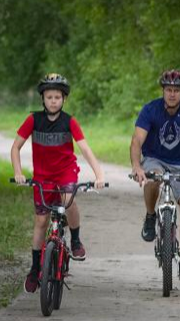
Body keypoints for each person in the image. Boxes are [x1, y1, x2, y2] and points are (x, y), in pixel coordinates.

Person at [11, 73, 106, 293]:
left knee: (68, 199)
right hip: (43, 177)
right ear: (42, 99)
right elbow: (15, 147)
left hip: (65, 172)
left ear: (64, 99)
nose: (53, 101)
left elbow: (84, 148)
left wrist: (99, 174)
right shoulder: (33, 120)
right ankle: (35, 270)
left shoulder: (69, 121)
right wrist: (18, 172)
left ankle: (75, 240)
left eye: (57, 97)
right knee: (41, 222)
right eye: (49, 96)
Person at [130, 69, 180, 281]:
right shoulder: (150, 109)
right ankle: (150, 215)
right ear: (163, 91)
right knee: (152, 177)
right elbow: (137, 140)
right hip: (156, 158)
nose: (172, 94)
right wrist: (137, 166)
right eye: (168, 90)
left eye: (176, 90)